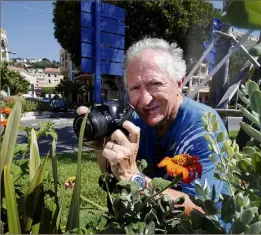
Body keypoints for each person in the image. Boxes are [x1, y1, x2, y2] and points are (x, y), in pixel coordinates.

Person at [77, 37, 229, 215]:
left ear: (179, 83)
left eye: (155, 84)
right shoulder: (134, 121)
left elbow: (202, 211)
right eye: (135, 88)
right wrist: (101, 148)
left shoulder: (205, 127)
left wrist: (134, 178)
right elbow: (114, 182)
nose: (145, 100)